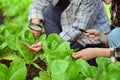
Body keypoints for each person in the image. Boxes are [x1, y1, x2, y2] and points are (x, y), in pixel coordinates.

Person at [27, 0, 110, 51]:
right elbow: (38, 4)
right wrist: (35, 24)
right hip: (66, 23)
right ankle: (53, 48)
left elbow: (78, 28)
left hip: (88, 35)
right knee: (48, 11)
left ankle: (54, 47)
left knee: (74, 52)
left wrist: (49, 43)